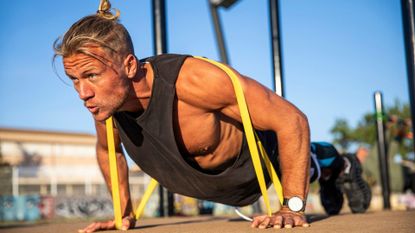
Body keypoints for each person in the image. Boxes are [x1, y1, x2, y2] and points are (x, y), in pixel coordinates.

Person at [53, 1, 370, 232]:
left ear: (130, 66)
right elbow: (108, 150)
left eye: (91, 75)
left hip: (257, 165)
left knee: (307, 162)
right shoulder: (108, 104)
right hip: (216, 186)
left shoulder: (195, 80)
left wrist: (293, 207)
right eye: (75, 80)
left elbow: (292, 120)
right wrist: (124, 214)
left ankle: (339, 164)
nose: (82, 92)